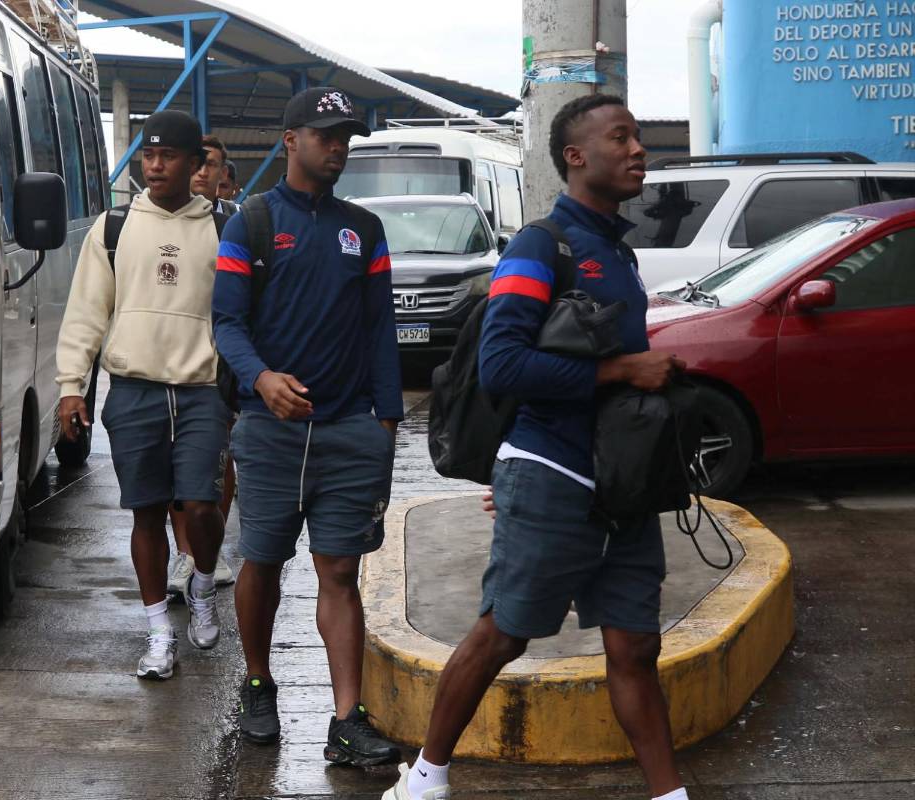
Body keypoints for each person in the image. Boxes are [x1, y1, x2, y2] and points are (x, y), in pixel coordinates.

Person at [383, 94, 690, 800]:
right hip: (552, 470)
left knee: (636, 646)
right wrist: (620, 370)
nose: (638, 148)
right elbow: (503, 365)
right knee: (505, 633)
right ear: (576, 157)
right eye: (622, 138)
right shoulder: (540, 246)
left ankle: (670, 795)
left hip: (623, 482)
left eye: (639, 136)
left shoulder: (618, 249)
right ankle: (426, 780)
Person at [212, 86, 404, 767]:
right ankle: (258, 683)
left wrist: (386, 422)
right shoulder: (252, 223)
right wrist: (261, 379)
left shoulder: (365, 230)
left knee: (340, 573)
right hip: (269, 431)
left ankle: (346, 721)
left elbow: (381, 328)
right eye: (325, 135)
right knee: (261, 562)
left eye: (345, 136)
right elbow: (227, 324)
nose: (338, 147)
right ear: (290, 140)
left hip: (351, 429)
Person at [56, 110, 229, 682]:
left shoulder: (224, 229)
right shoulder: (112, 228)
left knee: (202, 507)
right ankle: (158, 633)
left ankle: (202, 582)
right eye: (147, 156)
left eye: (168, 156)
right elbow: (86, 313)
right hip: (133, 391)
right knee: (146, 513)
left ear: (194, 163)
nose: (154, 166)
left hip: (203, 392)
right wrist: (70, 387)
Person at [166, 134, 242, 598]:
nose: (200, 172)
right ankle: (185, 555)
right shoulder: (160, 221)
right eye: (194, 163)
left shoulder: (234, 226)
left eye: (209, 165)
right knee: (177, 467)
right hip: (170, 363)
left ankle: (207, 552)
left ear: (221, 176)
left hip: (221, 363)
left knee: (219, 460)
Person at [192, 133, 240, 216]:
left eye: (211, 164)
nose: (203, 173)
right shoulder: (165, 215)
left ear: (223, 173)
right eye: (197, 163)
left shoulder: (239, 217)